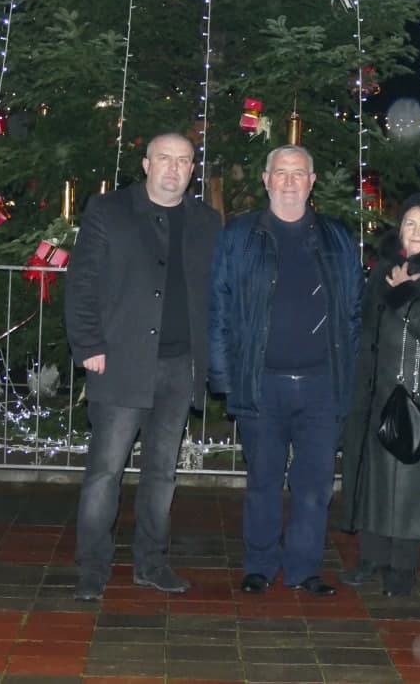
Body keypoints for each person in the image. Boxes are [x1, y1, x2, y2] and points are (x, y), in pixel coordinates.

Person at [65, 132, 222, 601]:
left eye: (184, 160)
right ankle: (93, 567)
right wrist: (88, 344)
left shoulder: (206, 221)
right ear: (146, 164)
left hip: (179, 366)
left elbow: (217, 291)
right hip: (120, 362)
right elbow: (82, 282)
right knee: (105, 472)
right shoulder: (109, 211)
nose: (174, 168)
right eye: (164, 159)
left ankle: (151, 563)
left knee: (162, 473)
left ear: (192, 169)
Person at [209, 144, 362, 597]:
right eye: (281, 172)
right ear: (266, 179)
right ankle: (259, 565)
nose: (290, 181)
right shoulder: (239, 236)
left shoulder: (337, 237)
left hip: (321, 385)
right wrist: (225, 377)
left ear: (312, 182)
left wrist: (348, 373)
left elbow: (353, 309)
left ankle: (303, 569)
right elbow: (219, 307)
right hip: (261, 382)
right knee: (263, 480)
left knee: (315, 485)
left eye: (299, 173)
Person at [340, 194, 420, 597]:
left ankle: (402, 566)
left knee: (408, 482)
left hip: (415, 393)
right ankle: (371, 557)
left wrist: (405, 297)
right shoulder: (384, 270)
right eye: (410, 222)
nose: (416, 230)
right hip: (374, 389)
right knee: (372, 477)